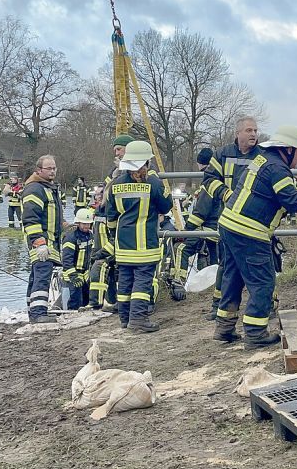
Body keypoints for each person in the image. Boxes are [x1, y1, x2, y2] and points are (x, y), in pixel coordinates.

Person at [215, 125, 297, 347]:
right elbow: (293, 202)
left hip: (229, 225)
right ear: (288, 149)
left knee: (233, 278)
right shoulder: (278, 169)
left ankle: (224, 327)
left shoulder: (262, 160)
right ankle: (255, 333)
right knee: (263, 283)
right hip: (250, 231)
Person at [104, 141, 172, 332]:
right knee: (142, 283)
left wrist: (112, 237)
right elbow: (166, 205)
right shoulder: (153, 182)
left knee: (125, 282)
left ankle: (125, 319)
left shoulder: (115, 184)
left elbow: (111, 217)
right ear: (147, 163)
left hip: (123, 244)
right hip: (145, 244)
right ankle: (138, 320)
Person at [202, 117, 261, 319]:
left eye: (255, 130)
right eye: (248, 130)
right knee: (226, 264)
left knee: (261, 265)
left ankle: (268, 304)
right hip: (228, 220)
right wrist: (227, 195)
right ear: (238, 133)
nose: (253, 134)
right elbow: (209, 179)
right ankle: (218, 307)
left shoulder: (262, 155)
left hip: (256, 221)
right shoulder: (222, 154)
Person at [89, 134, 135, 312]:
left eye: (119, 149)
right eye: (115, 150)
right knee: (105, 259)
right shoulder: (114, 171)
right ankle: (111, 300)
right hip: (107, 221)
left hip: (123, 224)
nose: (116, 153)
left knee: (111, 261)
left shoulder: (137, 170)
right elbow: (107, 193)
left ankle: (118, 303)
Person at [171, 148, 222, 304]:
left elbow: (200, 213)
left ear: (200, 164)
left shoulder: (208, 184)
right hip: (218, 230)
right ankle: (217, 288)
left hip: (206, 229)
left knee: (182, 249)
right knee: (217, 261)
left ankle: (178, 283)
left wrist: (186, 232)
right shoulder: (220, 180)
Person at [21, 155, 64, 324]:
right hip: (41, 242)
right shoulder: (35, 189)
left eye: (54, 168)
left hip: (50, 241)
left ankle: (34, 311)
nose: (53, 171)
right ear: (39, 170)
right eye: (49, 168)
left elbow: (51, 215)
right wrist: (39, 242)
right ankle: (39, 313)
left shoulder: (47, 188)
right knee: (42, 275)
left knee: (37, 275)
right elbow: (31, 218)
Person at [62, 207, 95, 311]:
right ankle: (72, 316)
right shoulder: (71, 238)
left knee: (86, 298)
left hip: (84, 273)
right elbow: (67, 260)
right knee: (75, 300)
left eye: (88, 224)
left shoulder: (90, 235)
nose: (87, 226)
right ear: (78, 223)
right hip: (72, 274)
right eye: (84, 224)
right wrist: (74, 275)